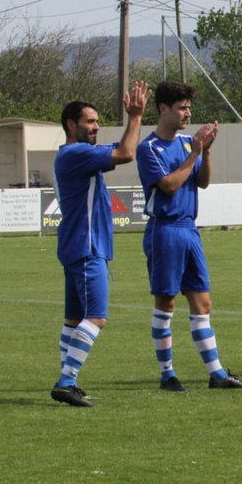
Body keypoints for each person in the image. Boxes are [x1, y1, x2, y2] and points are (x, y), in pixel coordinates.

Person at [137, 81, 242, 391]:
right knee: (167, 303)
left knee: (203, 303)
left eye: (189, 107)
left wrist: (207, 152)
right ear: (164, 109)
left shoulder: (190, 143)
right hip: (165, 230)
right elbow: (169, 185)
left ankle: (216, 374)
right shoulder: (148, 148)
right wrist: (195, 152)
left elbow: (202, 182)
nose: (188, 113)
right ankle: (167, 374)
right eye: (181, 108)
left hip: (189, 229)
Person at [49, 82, 149, 406]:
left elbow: (119, 147)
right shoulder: (77, 153)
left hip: (76, 247)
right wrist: (135, 116)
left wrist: (129, 126)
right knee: (97, 318)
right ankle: (66, 381)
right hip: (87, 247)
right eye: (89, 122)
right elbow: (126, 152)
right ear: (70, 125)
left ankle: (69, 380)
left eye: (96, 122)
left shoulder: (76, 154)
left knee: (74, 321)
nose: (95, 127)